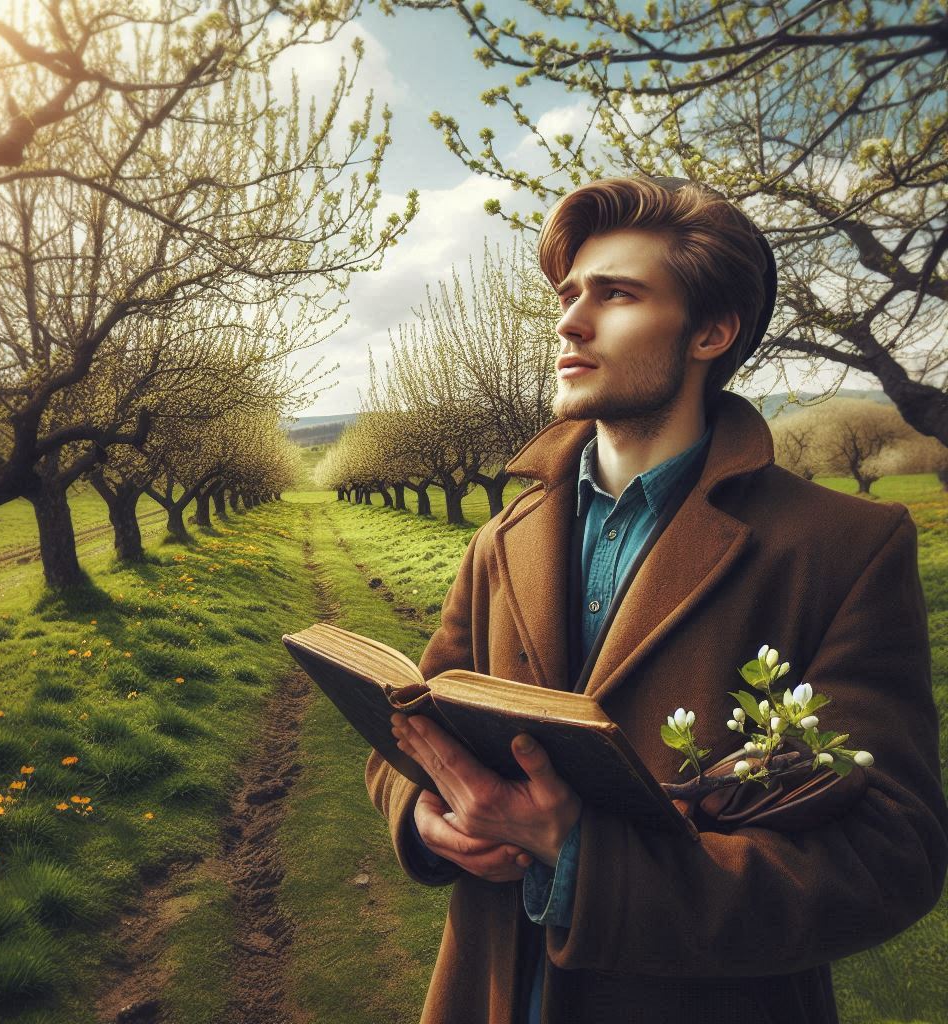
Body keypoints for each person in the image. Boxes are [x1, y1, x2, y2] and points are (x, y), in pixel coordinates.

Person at [364, 175, 948, 1024]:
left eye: (617, 294)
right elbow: (406, 736)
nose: (570, 322)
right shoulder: (502, 539)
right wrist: (424, 814)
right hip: (489, 993)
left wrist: (583, 859)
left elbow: (890, 854)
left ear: (712, 332)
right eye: (568, 295)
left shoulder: (845, 547)